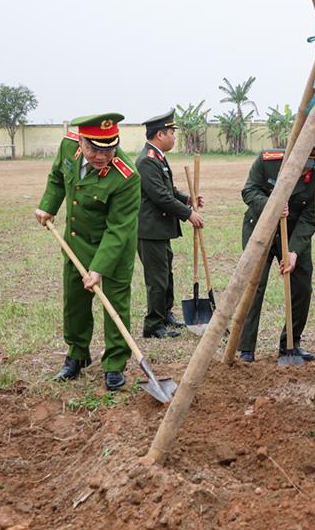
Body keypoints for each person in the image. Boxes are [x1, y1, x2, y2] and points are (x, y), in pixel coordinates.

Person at [35, 113, 141, 390]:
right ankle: (77, 355)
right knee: (75, 301)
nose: (101, 156)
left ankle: (115, 364)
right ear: (80, 141)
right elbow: (58, 177)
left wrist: (98, 269)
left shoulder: (127, 177)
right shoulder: (67, 147)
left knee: (115, 303)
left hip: (114, 247)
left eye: (109, 149)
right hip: (77, 240)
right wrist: (49, 205)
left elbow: (118, 229)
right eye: (94, 148)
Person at [237, 137, 315, 363]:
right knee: (254, 286)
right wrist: (272, 204)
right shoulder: (269, 160)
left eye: (311, 163)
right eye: (304, 162)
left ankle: (291, 344)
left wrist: (294, 251)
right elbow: (249, 191)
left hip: (294, 234)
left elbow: (310, 215)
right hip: (261, 231)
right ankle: (246, 347)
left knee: (302, 288)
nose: (307, 168)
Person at [135, 109, 203, 339]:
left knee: (166, 273)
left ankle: (165, 314)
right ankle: (153, 325)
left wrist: (187, 199)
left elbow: (169, 191)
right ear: (160, 135)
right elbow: (160, 197)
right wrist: (188, 213)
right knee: (156, 278)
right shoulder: (146, 161)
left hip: (159, 229)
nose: (175, 137)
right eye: (172, 133)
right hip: (149, 230)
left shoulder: (158, 158)